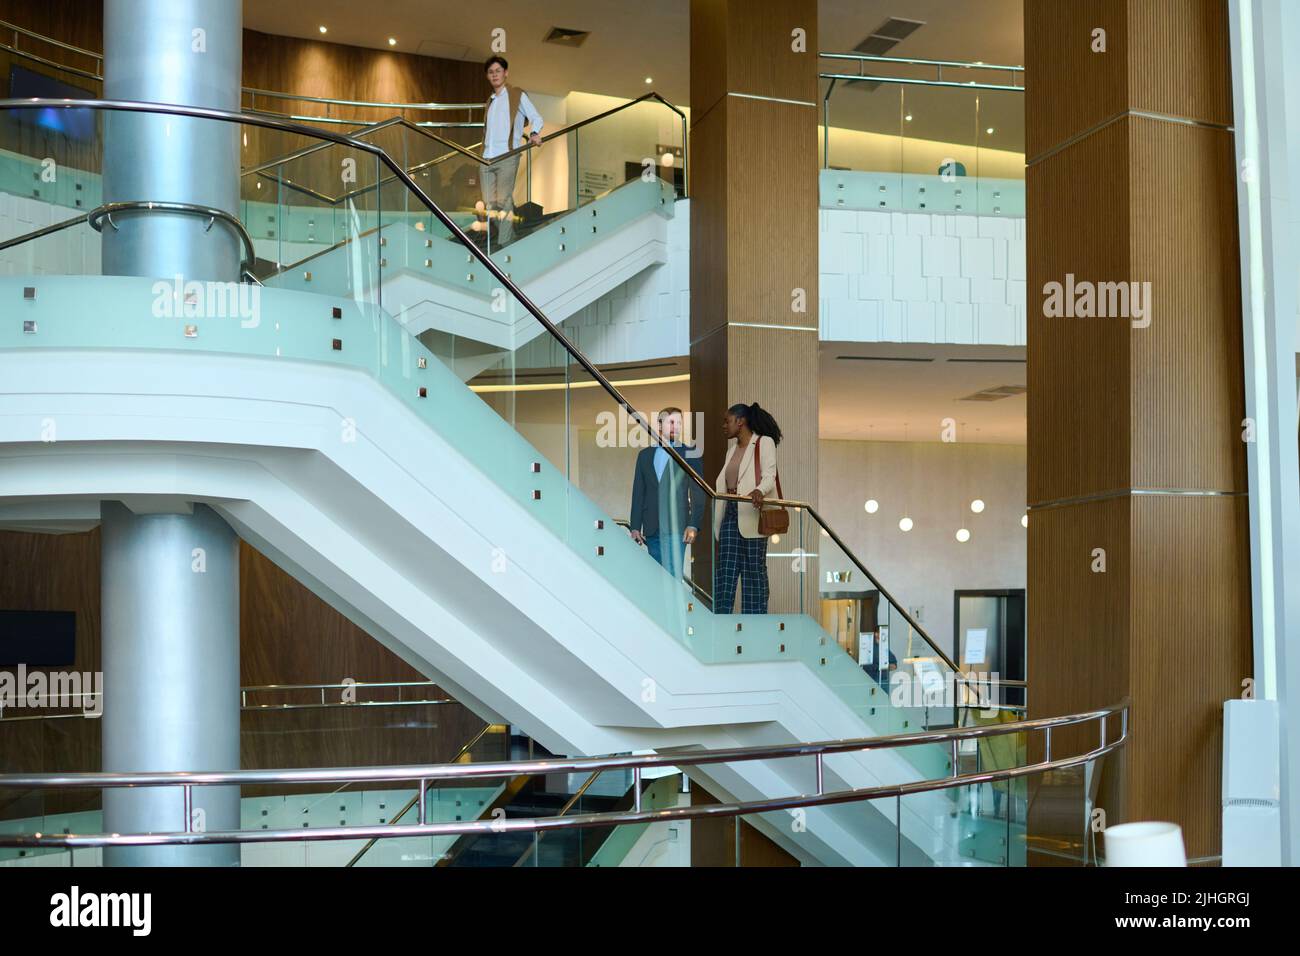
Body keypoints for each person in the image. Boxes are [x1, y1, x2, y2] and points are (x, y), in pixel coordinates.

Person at [713, 402, 782, 614]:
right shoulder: (731, 451)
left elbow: (769, 475)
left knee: (754, 572)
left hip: (752, 513)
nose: (724, 425)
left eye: (727, 421)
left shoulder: (764, 443)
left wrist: (759, 490)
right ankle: (721, 620)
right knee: (725, 573)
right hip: (730, 514)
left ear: (740, 421)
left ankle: (754, 623)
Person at [629, 408, 705, 581]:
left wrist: (694, 524)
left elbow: (698, 492)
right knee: (656, 576)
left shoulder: (689, 453)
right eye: (671, 422)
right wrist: (635, 526)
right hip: (651, 526)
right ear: (660, 425)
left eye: (679, 423)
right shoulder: (645, 455)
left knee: (671, 575)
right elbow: (639, 492)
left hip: (678, 525)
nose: (675, 426)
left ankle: (674, 609)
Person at [480, 55, 544, 246]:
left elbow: (536, 117)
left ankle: (504, 243)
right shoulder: (490, 101)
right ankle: (510, 234)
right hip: (486, 158)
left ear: (505, 73)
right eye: (491, 72)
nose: (494, 75)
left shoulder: (517, 94)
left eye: (498, 71)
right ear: (488, 76)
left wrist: (534, 133)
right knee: (489, 204)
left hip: (507, 155)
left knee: (503, 199)